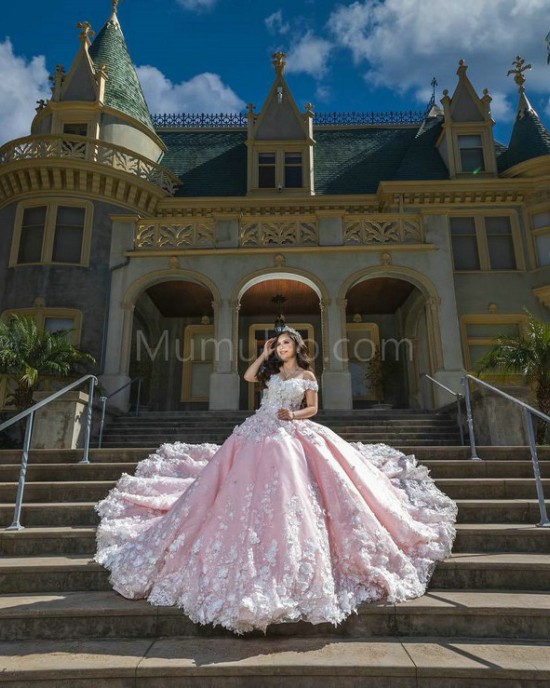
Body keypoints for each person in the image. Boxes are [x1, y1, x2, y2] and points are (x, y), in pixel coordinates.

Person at [95, 326, 457, 635]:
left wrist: (293, 414)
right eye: (277, 344)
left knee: (288, 475)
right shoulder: (270, 374)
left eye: (285, 344)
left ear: (297, 348)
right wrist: (262, 353)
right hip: (255, 430)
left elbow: (314, 409)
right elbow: (249, 378)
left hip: (288, 429)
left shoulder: (307, 376)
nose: (281, 348)